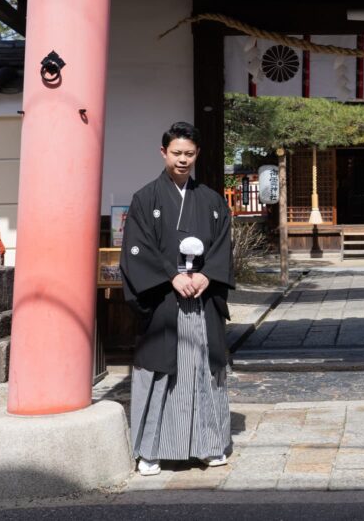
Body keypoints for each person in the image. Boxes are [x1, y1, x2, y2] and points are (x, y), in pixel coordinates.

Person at [120, 121, 234, 476]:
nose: (182, 160)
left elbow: (222, 245)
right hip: (166, 301)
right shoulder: (146, 198)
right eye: (176, 153)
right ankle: (151, 450)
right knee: (160, 372)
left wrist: (205, 274)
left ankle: (209, 445)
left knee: (204, 370)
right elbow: (136, 249)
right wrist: (171, 275)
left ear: (197, 154)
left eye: (189, 154)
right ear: (163, 152)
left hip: (202, 299)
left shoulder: (213, 200)